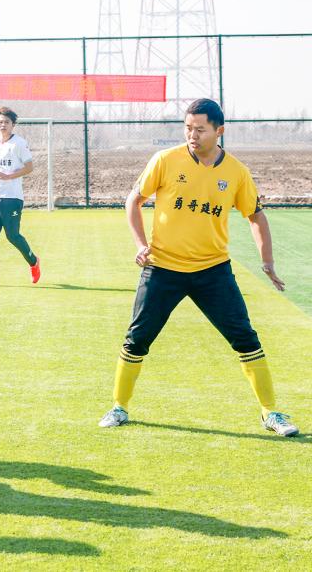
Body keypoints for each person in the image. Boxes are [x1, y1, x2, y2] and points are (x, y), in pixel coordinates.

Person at [98, 98, 299, 438]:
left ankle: (270, 412)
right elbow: (135, 200)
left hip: (213, 271)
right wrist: (140, 244)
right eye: (188, 128)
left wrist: (267, 261)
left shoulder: (236, 172)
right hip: (163, 268)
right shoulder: (165, 160)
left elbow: (255, 216)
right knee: (137, 339)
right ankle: (119, 407)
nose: (192, 135)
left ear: (219, 131)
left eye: (200, 129)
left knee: (245, 338)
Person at [0, 106, 40, 287]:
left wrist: (9, 176)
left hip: (12, 198)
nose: (3, 125)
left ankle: (33, 261)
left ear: (13, 125)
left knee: (12, 236)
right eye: (0, 122)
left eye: (6, 122)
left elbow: (29, 167)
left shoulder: (19, 143)